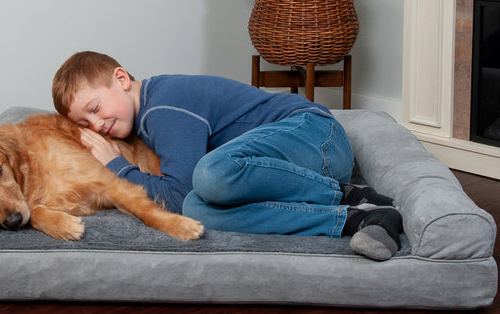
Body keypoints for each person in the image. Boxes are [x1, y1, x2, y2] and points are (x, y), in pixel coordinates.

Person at [52, 51, 402, 260]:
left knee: (208, 175)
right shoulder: (145, 122)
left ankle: (344, 192)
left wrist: (115, 166)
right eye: (86, 123)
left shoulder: (164, 105)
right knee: (197, 209)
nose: (99, 125)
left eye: (96, 108)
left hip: (315, 136)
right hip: (291, 169)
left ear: (122, 78)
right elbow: (184, 201)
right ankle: (354, 218)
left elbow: (174, 192)